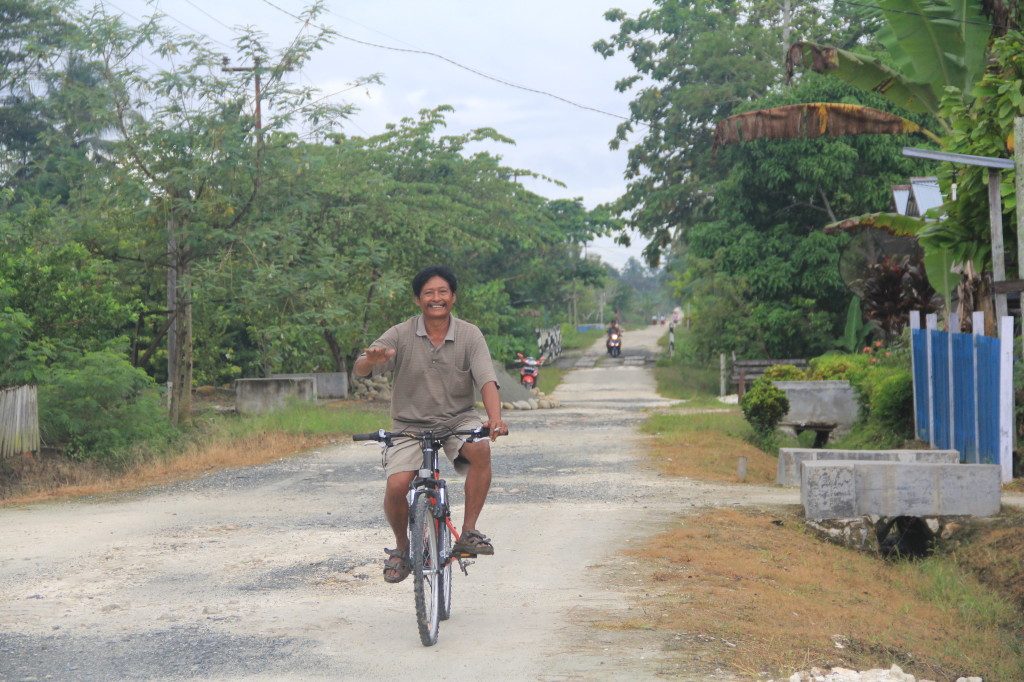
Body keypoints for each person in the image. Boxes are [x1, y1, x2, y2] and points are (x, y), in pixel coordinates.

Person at [353, 265, 508, 584]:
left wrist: (495, 418)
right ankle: (401, 549)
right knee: (397, 485)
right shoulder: (400, 333)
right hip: (409, 424)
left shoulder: (469, 334)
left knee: (480, 451)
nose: (436, 298)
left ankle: (468, 533)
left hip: (457, 420)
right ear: (417, 299)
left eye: (442, 292)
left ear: (453, 297)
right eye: (428, 293)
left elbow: (487, 380)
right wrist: (372, 360)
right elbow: (362, 367)